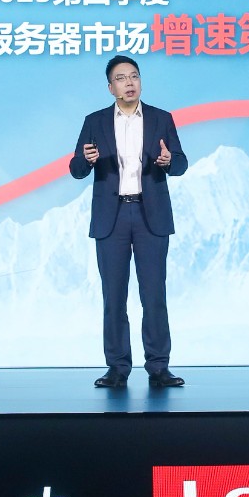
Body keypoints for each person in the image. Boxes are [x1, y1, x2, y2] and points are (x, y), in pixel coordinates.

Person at [68, 55, 188, 389]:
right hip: (113, 216)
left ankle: (159, 366)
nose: (129, 83)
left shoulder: (161, 119)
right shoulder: (94, 121)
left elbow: (180, 163)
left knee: (154, 295)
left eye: (134, 76)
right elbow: (76, 169)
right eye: (121, 78)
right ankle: (117, 367)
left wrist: (168, 160)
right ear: (111, 88)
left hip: (151, 216)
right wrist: (86, 160)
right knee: (114, 296)